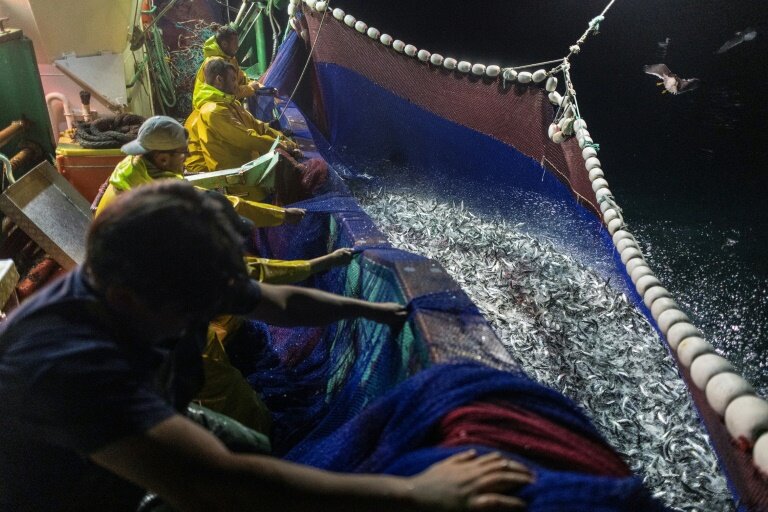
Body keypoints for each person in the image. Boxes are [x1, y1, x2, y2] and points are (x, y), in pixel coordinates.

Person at [0, 181, 533, 511]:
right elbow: (216, 485)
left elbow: (276, 303)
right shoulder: (66, 364)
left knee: (253, 448)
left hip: (153, 414)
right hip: (68, 489)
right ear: (124, 300)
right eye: (197, 313)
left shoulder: (163, 273)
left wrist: (369, 310)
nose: (211, 316)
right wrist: (417, 494)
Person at [96, 115, 304, 226]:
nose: (187, 158)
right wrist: (283, 215)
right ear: (162, 158)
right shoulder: (163, 193)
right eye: (182, 154)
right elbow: (227, 206)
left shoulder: (132, 166)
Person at [185, 57, 299, 175]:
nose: (237, 84)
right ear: (219, 80)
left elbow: (258, 126)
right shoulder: (212, 111)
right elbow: (247, 138)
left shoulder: (231, 103)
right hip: (234, 180)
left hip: (245, 170)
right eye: (233, 79)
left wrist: (284, 140)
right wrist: (283, 146)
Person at [193, 24, 263, 101]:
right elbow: (227, 94)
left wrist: (258, 85)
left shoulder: (230, 58)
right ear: (224, 44)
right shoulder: (215, 64)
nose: (237, 47)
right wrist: (250, 88)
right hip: (214, 106)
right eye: (235, 44)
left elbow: (241, 78)